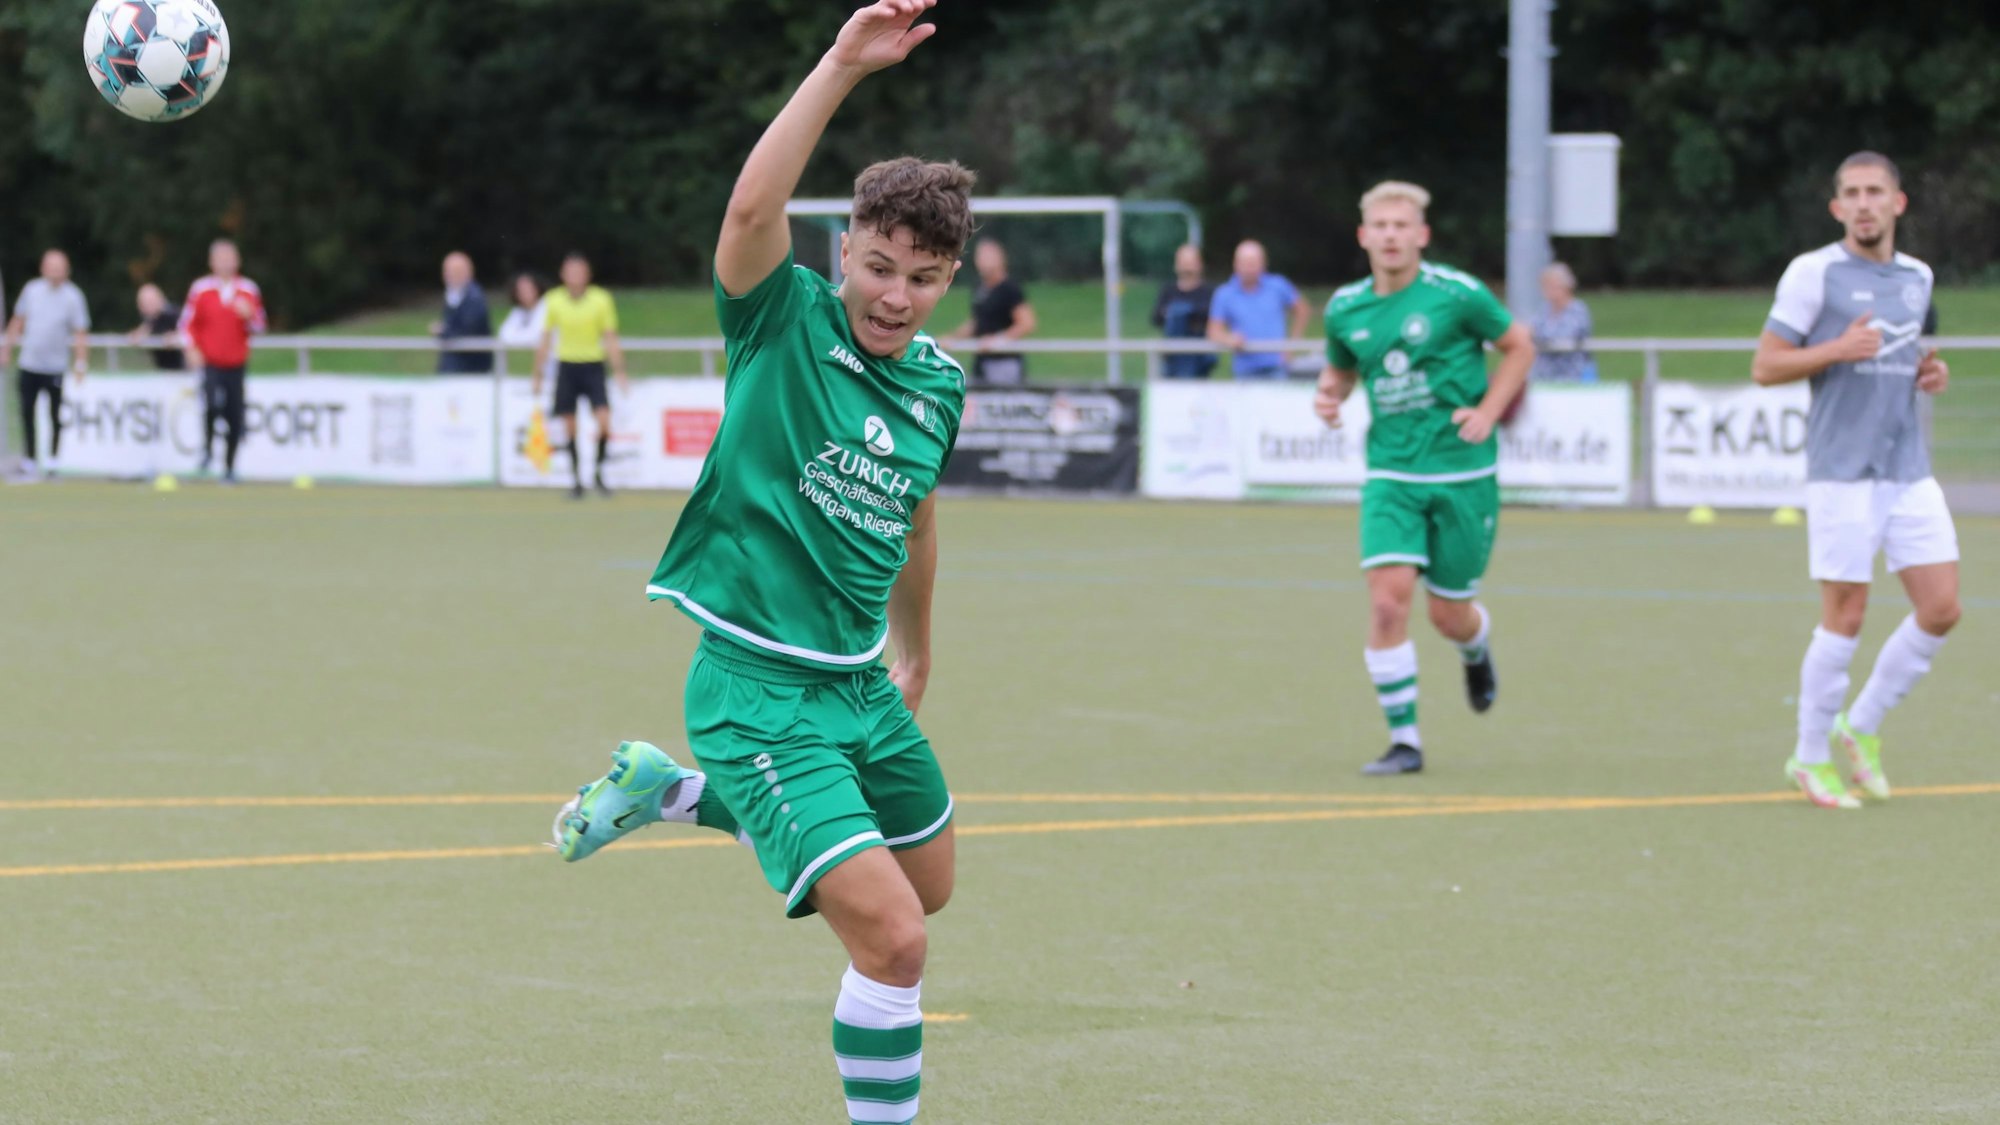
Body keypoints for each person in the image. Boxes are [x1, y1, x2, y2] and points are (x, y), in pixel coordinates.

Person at [549, 5, 967, 1122]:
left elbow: (917, 519)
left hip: (860, 686)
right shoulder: (779, 320)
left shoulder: (938, 384)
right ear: (845, 251)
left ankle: (671, 791)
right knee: (893, 934)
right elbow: (750, 205)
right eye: (877, 266)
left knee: (929, 882)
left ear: (946, 282)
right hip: (753, 691)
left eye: (921, 279)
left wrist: (915, 647)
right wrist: (838, 66)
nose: (892, 294)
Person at [1750, 151, 1959, 811]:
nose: (1864, 203)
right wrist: (1836, 349)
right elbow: (1765, 365)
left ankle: (1859, 726)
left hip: (1908, 469)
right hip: (1843, 473)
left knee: (1942, 607)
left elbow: (1903, 353)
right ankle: (1809, 757)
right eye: (1852, 193)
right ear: (1837, 207)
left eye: (1876, 192)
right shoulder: (1813, 273)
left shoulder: (1918, 277)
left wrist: (1928, 373)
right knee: (1845, 617)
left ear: (1898, 203)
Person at [1315, 181, 1535, 776]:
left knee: (1448, 615)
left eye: (1400, 225)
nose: (1390, 235)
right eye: (1379, 226)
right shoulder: (1345, 308)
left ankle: (1475, 647)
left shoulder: (1457, 294)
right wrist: (1329, 397)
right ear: (1364, 236)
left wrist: (1488, 412)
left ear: (1421, 235)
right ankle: (1405, 741)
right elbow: (1340, 372)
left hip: (1464, 474)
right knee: (1388, 605)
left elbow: (1519, 346)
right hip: (1390, 473)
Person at [531, 252, 629, 498]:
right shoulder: (553, 300)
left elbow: (610, 336)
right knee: (569, 425)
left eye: (580, 271)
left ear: (588, 274)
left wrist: (619, 371)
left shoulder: (601, 299)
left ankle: (598, 472)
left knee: (604, 421)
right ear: (563, 275)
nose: (575, 276)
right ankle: (576, 480)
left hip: (593, 365)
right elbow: (545, 338)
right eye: (570, 271)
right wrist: (538, 373)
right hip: (567, 366)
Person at [179, 240, 266, 483]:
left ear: (237, 261)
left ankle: (229, 467)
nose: (226, 263)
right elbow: (187, 324)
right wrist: (192, 348)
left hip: (236, 363)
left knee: (234, 415)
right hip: (211, 362)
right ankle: (207, 449)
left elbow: (260, 325)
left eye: (230, 258)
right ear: (212, 262)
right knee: (211, 402)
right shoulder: (201, 289)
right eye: (221, 258)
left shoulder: (248, 289)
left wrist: (249, 316)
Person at [2, 250, 91, 479]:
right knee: (26, 412)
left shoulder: (73, 296)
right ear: (43, 268)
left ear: (67, 269)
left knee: (54, 415)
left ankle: (52, 461)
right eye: (51, 266)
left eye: (59, 267)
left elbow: (80, 332)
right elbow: (18, 320)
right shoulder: (32, 290)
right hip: (29, 364)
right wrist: (7, 348)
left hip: (55, 367)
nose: (55, 271)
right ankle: (29, 460)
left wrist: (80, 363)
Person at [1207, 239, 1312, 379]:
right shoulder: (1224, 294)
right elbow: (1213, 331)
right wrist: (1229, 339)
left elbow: (1302, 310)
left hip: (1278, 367)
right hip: (1244, 370)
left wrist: (1292, 345)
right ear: (1235, 264)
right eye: (1245, 263)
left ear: (1263, 263)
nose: (1249, 268)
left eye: (1253, 262)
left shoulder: (1278, 285)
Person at [945, 238, 1035, 384]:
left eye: (987, 257)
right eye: (980, 256)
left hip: (1004, 362)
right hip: (981, 359)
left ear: (1000, 259)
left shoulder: (1009, 289)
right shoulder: (980, 288)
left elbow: (1026, 323)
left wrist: (998, 341)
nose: (983, 261)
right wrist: (953, 338)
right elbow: (978, 322)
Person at [1151, 244, 1217, 379]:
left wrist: (1182, 312)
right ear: (1177, 265)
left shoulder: (1208, 291)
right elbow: (1156, 317)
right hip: (1172, 356)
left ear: (1199, 265)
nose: (1187, 267)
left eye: (1190, 263)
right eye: (1184, 263)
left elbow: (1212, 315)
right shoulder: (1168, 290)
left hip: (1199, 357)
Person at [1527, 262, 1595, 383]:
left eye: (1551, 286)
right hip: (1542, 376)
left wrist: (1534, 334)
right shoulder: (1544, 309)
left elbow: (1564, 336)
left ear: (1565, 286)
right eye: (1545, 286)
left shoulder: (1578, 310)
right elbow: (1529, 331)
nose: (1546, 290)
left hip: (1573, 376)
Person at [432, 251, 494, 374]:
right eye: (447, 271)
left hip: (471, 367)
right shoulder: (454, 295)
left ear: (468, 272)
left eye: (454, 271)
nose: (448, 275)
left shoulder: (474, 298)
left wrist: (443, 331)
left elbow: (467, 331)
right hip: (455, 364)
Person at [127, 283, 185, 371]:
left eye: (150, 301)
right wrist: (136, 335)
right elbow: (146, 329)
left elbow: (188, 331)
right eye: (143, 303)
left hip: (184, 370)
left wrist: (176, 337)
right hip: (165, 369)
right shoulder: (151, 318)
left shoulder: (174, 313)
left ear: (160, 299)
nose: (145, 306)